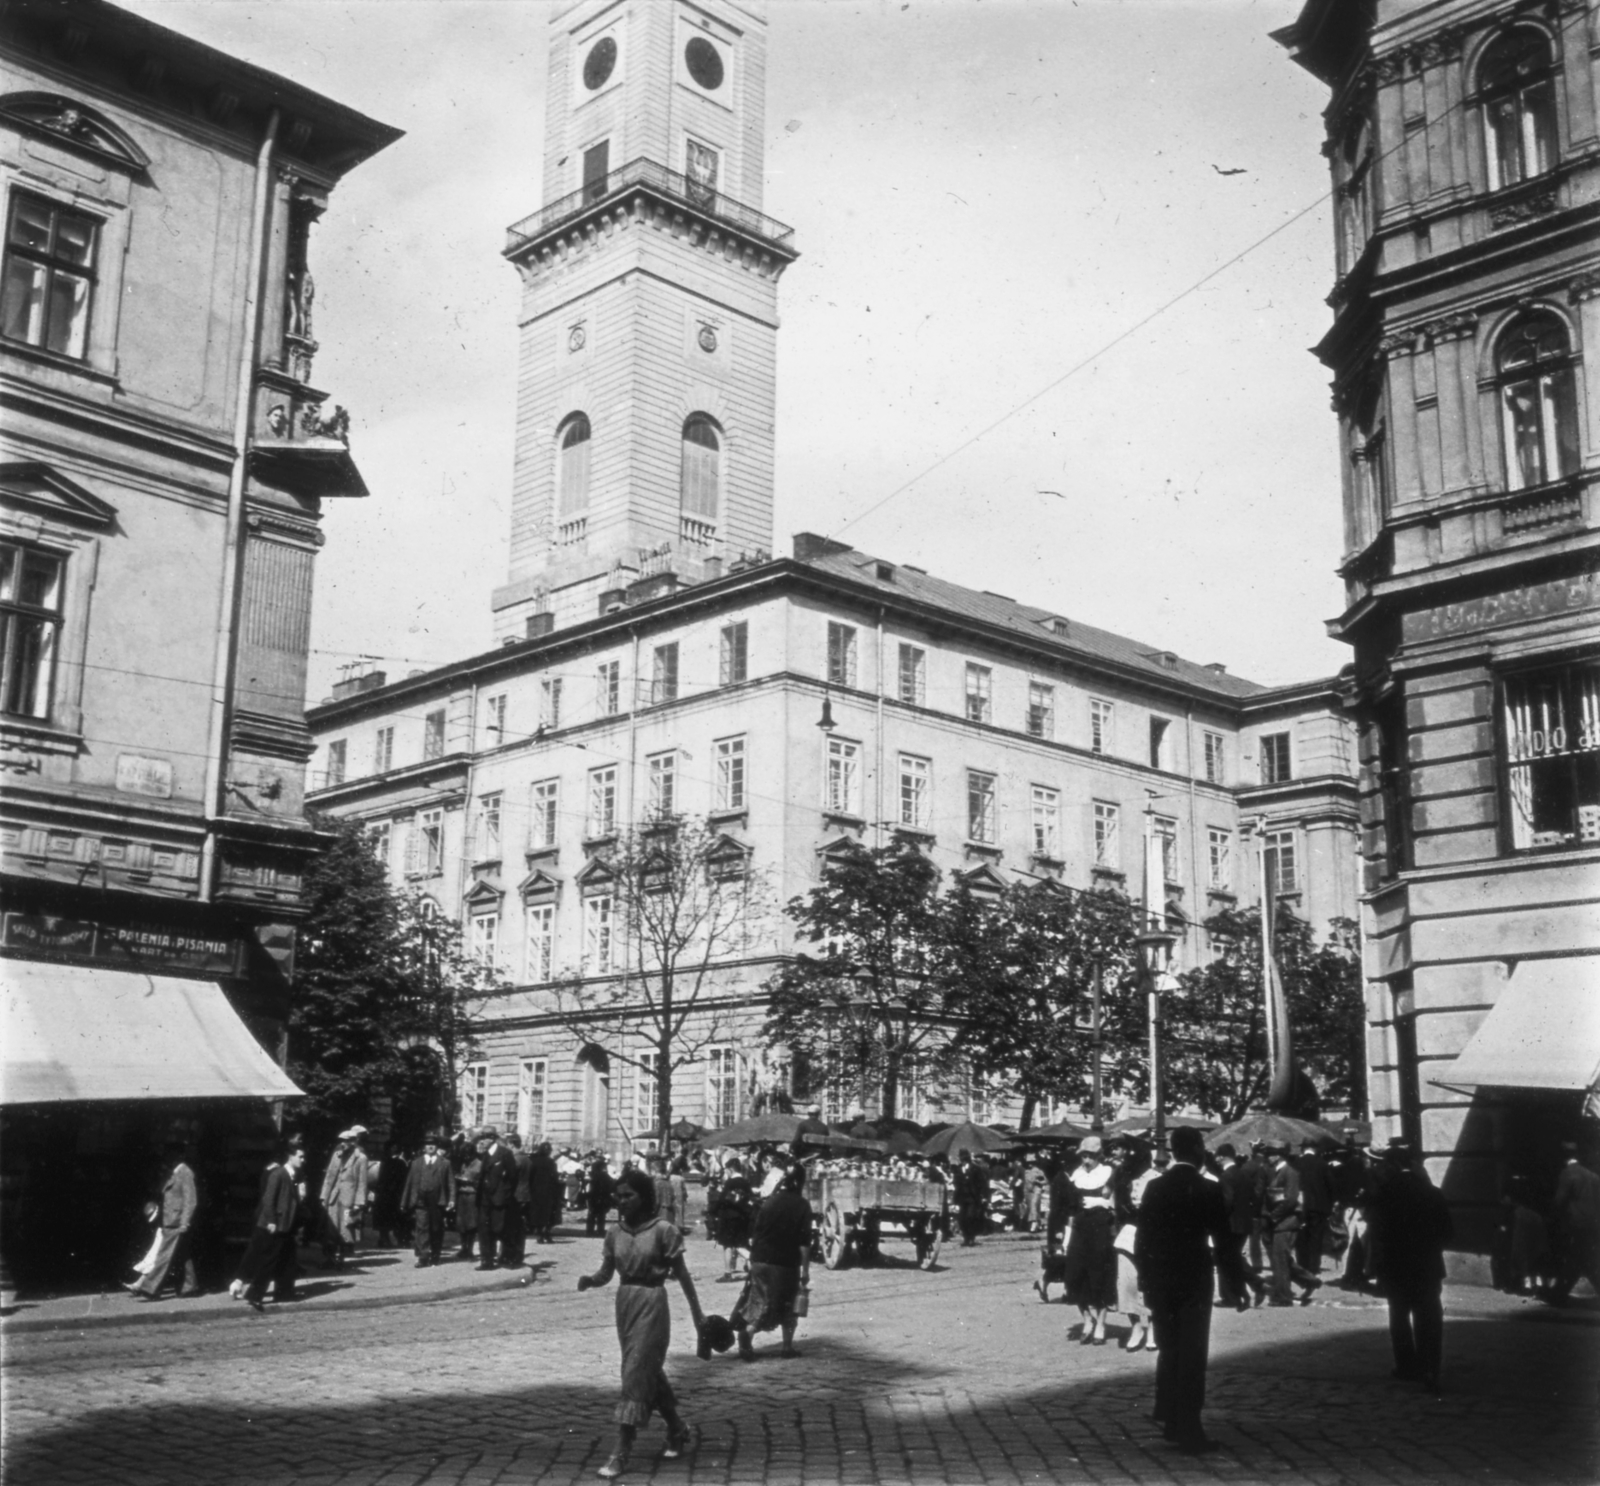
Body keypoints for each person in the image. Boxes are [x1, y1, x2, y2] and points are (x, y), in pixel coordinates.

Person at [577, 1168, 704, 1478]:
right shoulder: (615, 1232)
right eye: (618, 1196)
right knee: (647, 1371)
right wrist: (591, 1280)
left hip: (652, 1303)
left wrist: (698, 1316)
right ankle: (677, 1428)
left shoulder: (664, 1230)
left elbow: (682, 1275)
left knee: (634, 1373)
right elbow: (607, 1272)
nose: (622, 1201)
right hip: (626, 1304)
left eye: (628, 1195)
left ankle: (621, 1451)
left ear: (644, 1197)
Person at [1135, 1126, 1246, 1454]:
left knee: (1169, 1349)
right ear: (1197, 1148)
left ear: (1172, 1150)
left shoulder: (1155, 1187)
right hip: (1195, 1278)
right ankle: (1190, 1427)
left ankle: (1170, 1418)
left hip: (1161, 1279)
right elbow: (1224, 1243)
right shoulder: (1208, 1188)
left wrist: (1145, 1281)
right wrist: (1235, 1283)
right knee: (1192, 1352)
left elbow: (1143, 1239)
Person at [1367, 1136, 1452, 1390]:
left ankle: (1406, 1367)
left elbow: (1377, 1234)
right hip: (1427, 1267)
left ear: (1393, 1165)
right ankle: (1430, 1368)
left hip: (1396, 1267)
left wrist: (1377, 1267)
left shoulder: (1384, 1194)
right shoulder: (1433, 1193)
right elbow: (1448, 1233)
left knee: (1400, 1317)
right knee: (1430, 1318)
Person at [731, 1163, 812, 1360]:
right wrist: (805, 1271)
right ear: (800, 1182)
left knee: (759, 1301)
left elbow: (756, 1233)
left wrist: (752, 1260)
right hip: (784, 1263)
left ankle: (748, 1335)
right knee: (788, 1305)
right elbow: (804, 1243)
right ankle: (785, 1347)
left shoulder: (770, 1201)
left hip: (759, 1259)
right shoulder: (802, 1205)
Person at [232, 1143, 304, 1312]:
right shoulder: (278, 1174)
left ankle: (285, 1292)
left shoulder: (293, 1175)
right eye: (300, 1156)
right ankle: (254, 1295)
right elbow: (269, 1199)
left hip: (286, 1225)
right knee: (268, 1261)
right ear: (290, 1157)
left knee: (287, 1260)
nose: (303, 1160)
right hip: (275, 1225)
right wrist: (271, 1221)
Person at [126, 1143, 201, 1301]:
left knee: (163, 1256)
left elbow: (191, 1200)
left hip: (176, 1221)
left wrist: (185, 1222)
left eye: (171, 1155)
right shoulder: (173, 1172)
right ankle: (190, 1287)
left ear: (179, 1156)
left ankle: (150, 1289)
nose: (168, 1158)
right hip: (170, 1219)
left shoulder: (185, 1172)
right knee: (182, 1255)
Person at [1061, 1135, 1118, 1344]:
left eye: (1091, 1156)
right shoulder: (1076, 1175)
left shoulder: (1108, 1173)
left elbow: (1114, 1201)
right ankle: (1087, 1319)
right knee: (1075, 1274)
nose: (1087, 1160)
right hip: (1080, 1227)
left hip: (1101, 1227)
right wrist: (1066, 1236)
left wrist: (1101, 1203)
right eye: (1084, 1156)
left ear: (1099, 1156)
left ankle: (1101, 1323)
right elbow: (1070, 1208)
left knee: (1099, 1274)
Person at [1113, 1140, 1160, 1351]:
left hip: (1151, 1236)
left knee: (1149, 1284)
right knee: (1127, 1283)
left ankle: (1152, 1329)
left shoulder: (1157, 1178)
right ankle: (1136, 1327)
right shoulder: (1124, 1178)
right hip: (1127, 1235)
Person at [1262, 1143, 1321, 1305]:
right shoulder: (1279, 1172)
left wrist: (1273, 1216)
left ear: (1278, 1156)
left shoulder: (1290, 1173)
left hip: (1286, 1221)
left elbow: (1290, 1200)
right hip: (1281, 1221)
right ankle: (1309, 1281)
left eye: (1270, 1154)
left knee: (1280, 1259)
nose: (1267, 1158)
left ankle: (1284, 1296)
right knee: (1283, 1258)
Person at [1214, 1144, 1266, 1308]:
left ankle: (1249, 1286)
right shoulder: (1243, 1174)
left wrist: (1217, 1218)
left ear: (1222, 1157)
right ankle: (1236, 1294)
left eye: (1217, 1157)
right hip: (1244, 1224)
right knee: (1232, 1258)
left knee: (1227, 1260)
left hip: (1229, 1225)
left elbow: (1227, 1201)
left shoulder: (1225, 1176)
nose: (1216, 1160)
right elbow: (1254, 1197)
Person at [1551, 1141, 1600, 1301]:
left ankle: (1558, 1294)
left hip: (1577, 1223)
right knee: (1586, 1259)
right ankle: (1558, 1293)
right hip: (1593, 1224)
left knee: (1578, 1260)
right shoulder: (1593, 1176)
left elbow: (1559, 1201)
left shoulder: (1568, 1173)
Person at [401, 1133, 455, 1267]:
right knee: (421, 1227)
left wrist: (452, 1199)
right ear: (423, 1147)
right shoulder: (416, 1163)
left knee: (436, 1228)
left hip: (437, 1199)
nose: (430, 1147)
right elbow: (409, 1183)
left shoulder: (445, 1163)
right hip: (420, 1199)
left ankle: (435, 1255)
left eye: (433, 1144)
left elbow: (451, 1183)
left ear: (437, 1147)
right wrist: (404, 1202)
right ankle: (423, 1257)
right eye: (427, 1144)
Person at [319, 1130, 370, 1265]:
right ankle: (329, 1258)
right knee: (331, 1228)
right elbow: (329, 1177)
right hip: (334, 1197)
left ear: (353, 1141)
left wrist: (359, 1203)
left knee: (345, 1229)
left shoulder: (361, 1158)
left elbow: (362, 1182)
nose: (343, 1143)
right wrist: (324, 1196)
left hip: (349, 1199)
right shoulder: (337, 1155)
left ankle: (341, 1258)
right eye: (341, 1141)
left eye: (346, 1141)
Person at [476, 1127, 521, 1269]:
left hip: (499, 1198)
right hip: (485, 1198)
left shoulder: (504, 1153)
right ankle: (486, 1261)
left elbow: (513, 1177)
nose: (483, 1141)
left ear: (493, 1139)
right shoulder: (485, 1154)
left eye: (486, 1138)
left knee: (500, 1229)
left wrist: (505, 1194)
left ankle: (508, 1258)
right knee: (484, 1230)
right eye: (482, 1138)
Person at [1294, 1139, 1335, 1279]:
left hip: (1301, 1205)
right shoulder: (1322, 1164)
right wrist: (1330, 1204)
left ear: (1303, 1148)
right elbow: (1330, 1185)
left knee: (1301, 1236)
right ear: (1315, 1149)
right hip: (1319, 1206)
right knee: (1316, 1237)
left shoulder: (1296, 1163)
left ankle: (1302, 1265)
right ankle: (1314, 1267)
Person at [710, 1156, 755, 1280]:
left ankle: (727, 1273)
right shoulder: (746, 1182)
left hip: (729, 1218)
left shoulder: (729, 1183)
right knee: (740, 1244)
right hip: (743, 1217)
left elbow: (722, 1200)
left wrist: (713, 1211)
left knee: (727, 1245)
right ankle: (752, 1263)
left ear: (730, 1169)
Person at [528, 1141, 564, 1243]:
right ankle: (546, 1233)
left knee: (538, 1213)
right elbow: (554, 1177)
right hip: (549, 1191)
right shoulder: (551, 1162)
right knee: (549, 1213)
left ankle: (540, 1234)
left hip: (536, 1191)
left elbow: (530, 1177)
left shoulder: (533, 1161)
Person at [454, 1134, 483, 1261]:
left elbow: (480, 1182)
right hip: (462, 1195)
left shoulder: (479, 1164)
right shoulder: (464, 1164)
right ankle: (463, 1248)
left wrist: (469, 1181)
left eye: (467, 1155)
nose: (465, 1158)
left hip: (472, 1195)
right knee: (461, 1224)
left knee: (471, 1224)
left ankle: (469, 1249)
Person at [952, 1151, 989, 1247]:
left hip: (973, 1197)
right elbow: (956, 1184)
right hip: (962, 1197)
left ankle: (971, 1238)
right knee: (962, 1218)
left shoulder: (976, 1168)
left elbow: (982, 1183)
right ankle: (966, 1238)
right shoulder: (958, 1169)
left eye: (964, 1159)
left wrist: (984, 1196)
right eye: (961, 1159)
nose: (962, 1161)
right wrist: (955, 1200)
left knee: (970, 1217)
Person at [587, 1153, 616, 1237]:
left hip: (593, 1195)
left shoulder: (592, 1175)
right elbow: (611, 1183)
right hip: (602, 1195)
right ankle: (600, 1230)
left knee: (592, 1213)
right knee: (601, 1214)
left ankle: (589, 1231)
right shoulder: (604, 1175)